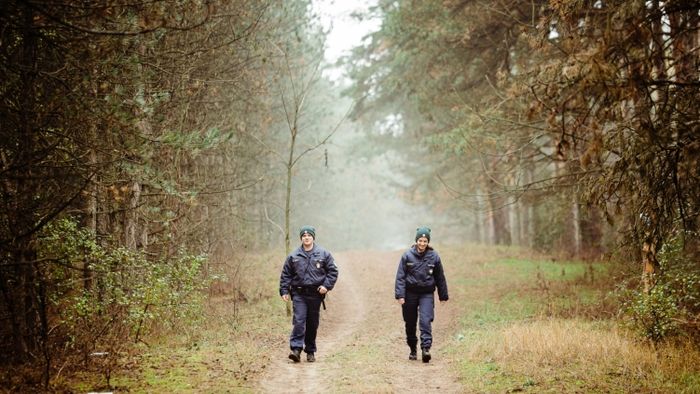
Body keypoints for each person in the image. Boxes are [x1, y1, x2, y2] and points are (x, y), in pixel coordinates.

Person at [279, 225, 338, 363]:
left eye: (309, 236)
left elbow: (333, 271)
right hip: (299, 294)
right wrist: (284, 291)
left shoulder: (323, 254)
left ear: (313, 237)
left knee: (312, 324)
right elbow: (286, 275)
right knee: (299, 321)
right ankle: (296, 349)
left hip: (315, 295)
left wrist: (326, 286)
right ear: (301, 238)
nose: (306, 238)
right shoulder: (293, 256)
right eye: (304, 236)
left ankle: (310, 351)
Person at [394, 226, 449, 363]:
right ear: (416, 240)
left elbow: (440, 277)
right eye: (420, 240)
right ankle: (413, 348)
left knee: (425, 321)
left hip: (426, 293)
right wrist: (400, 295)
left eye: (425, 241)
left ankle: (426, 349)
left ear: (428, 242)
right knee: (410, 323)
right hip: (409, 294)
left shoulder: (434, 256)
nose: (422, 243)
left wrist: (443, 295)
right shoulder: (407, 256)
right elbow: (400, 277)